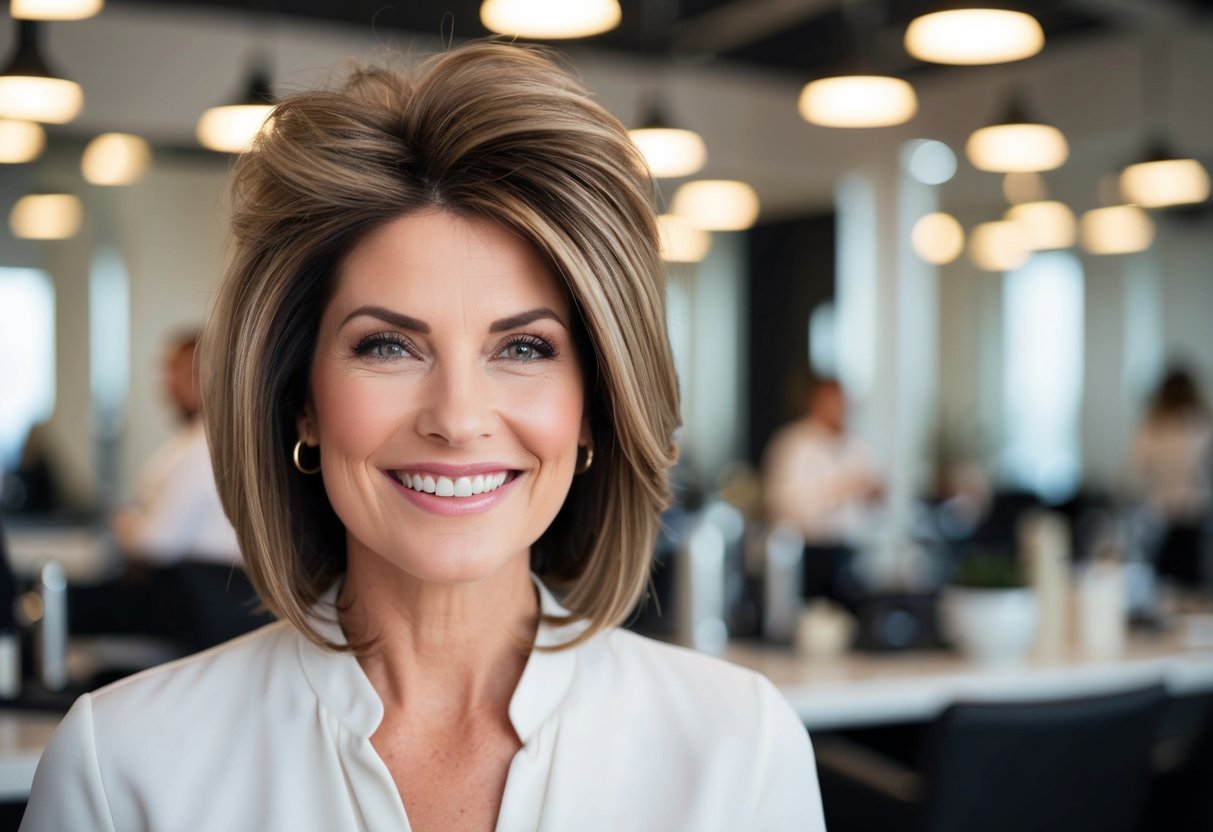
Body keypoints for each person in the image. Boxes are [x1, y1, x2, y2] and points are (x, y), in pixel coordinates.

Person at [23, 43, 825, 831]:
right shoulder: (121, 765)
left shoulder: (738, 747)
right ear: (300, 399)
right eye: (388, 346)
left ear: (593, 408)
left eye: (523, 348)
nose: (457, 416)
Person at [110, 331, 241, 566]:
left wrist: (126, 525)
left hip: (207, 587)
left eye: (185, 372)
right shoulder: (191, 440)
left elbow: (158, 542)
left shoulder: (205, 447)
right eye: (168, 371)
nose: (170, 383)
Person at [763, 374, 883, 609]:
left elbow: (875, 503)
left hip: (848, 553)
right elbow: (785, 504)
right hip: (807, 553)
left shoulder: (858, 446)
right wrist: (842, 489)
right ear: (815, 402)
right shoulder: (794, 445)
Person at [1133, 366, 1213, 589]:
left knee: (1162, 584)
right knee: (1193, 583)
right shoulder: (1201, 424)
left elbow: (1138, 471)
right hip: (1192, 511)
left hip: (1160, 513)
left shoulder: (1152, 426)